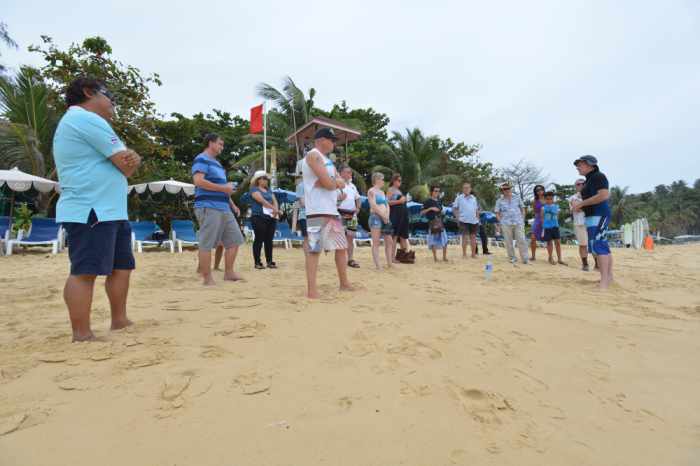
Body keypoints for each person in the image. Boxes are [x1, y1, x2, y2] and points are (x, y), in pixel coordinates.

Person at [54, 77, 141, 342]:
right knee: (85, 271)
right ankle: (81, 333)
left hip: (108, 208)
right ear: (89, 92)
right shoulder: (86, 118)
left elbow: (126, 162)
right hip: (91, 208)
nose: (112, 102)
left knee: (121, 266)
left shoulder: (79, 121)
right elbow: (126, 164)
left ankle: (119, 319)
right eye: (109, 95)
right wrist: (132, 159)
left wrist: (131, 159)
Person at [302, 128, 353, 299]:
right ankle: (311, 290)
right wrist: (334, 183)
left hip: (331, 210)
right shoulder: (313, 155)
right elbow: (329, 183)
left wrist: (334, 184)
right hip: (317, 210)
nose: (333, 143)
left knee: (341, 247)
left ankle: (344, 283)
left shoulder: (327, 160)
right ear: (321, 140)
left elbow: (337, 184)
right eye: (331, 140)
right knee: (314, 250)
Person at [192, 133, 245, 286]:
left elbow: (224, 189)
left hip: (224, 207)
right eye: (220, 144)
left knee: (235, 240)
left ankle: (229, 273)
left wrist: (232, 204)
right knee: (206, 243)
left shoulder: (218, 164)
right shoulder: (201, 159)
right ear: (210, 143)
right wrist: (224, 187)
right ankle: (207, 278)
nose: (222, 147)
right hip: (208, 206)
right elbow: (198, 181)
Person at [572, 155, 613, 289]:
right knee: (601, 246)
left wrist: (582, 203)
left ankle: (604, 282)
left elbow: (604, 195)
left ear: (590, 165)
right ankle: (608, 278)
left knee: (599, 247)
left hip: (599, 215)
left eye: (580, 164)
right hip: (592, 216)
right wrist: (580, 206)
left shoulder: (598, 176)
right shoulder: (589, 180)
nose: (578, 167)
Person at [249, 170, 280, 269]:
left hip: (270, 217)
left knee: (269, 240)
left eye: (267, 179)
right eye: (265, 178)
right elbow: (261, 200)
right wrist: (274, 209)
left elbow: (275, 200)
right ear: (258, 180)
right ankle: (257, 262)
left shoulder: (269, 190)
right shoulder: (254, 189)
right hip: (258, 216)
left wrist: (275, 210)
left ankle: (269, 261)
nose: (267, 180)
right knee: (259, 239)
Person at [494, 182, 529, 264]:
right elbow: (497, 212)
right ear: (501, 191)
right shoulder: (499, 201)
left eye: (508, 188)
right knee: (508, 241)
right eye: (504, 189)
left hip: (518, 222)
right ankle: (512, 257)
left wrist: (522, 219)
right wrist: (500, 221)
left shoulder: (517, 197)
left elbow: (522, 208)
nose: (506, 190)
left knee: (521, 240)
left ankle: (525, 258)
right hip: (506, 223)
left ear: (510, 189)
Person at [367, 172, 395, 269]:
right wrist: (383, 215)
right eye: (382, 179)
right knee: (376, 242)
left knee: (389, 241)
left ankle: (389, 263)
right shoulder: (371, 191)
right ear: (377, 180)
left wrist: (387, 215)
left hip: (385, 218)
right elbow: (373, 205)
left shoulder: (382, 192)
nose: (384, 181)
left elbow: (387, 205)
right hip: (376, 217)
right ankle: (378, 265)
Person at [337, 165, 361, 268]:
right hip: (340, 212)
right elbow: (332, 200)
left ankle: (350, 259)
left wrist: (358, 208)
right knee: (341, 237)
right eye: (348, 172)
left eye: (350, 172)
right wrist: (339, 200)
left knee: (350, 237)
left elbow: (358, 198)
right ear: (341, 173)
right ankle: (341, 259)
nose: (350, 174)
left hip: (351, 213)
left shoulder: (352, 186)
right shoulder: (336, 185)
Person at [388, 173, 414, 263]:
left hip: (403, 215)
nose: (400, 182)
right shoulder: (390, 190)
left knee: (403, 236)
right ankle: (392, 258)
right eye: (399, 180)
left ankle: (404, 256)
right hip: (395, 215)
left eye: (401, 180)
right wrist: (399, 201)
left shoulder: (399, 191)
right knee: (395, 236)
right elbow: (387, 202)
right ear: (394, 181)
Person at [421, 185, 448, 262]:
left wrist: (442, 212)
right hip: (432, 222)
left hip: (440, 222)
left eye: (438, 191)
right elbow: (422, 212)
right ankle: (435, 258)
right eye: (435, 191)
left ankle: (444, 257)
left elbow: (441, 210)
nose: (437, 193)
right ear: (431, 192)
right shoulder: (427, 201)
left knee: (445, 240)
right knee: (433, 241)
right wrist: (430, 208)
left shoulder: (439, 201)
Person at [453, 182, 480, 258]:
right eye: (465, 188)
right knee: (464, 237)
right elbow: (455, 209)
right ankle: (464, 254)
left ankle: (473, 254)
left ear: (470, 189)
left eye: (468, 188)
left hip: (474, 221)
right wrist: (457, 218)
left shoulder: (474, 198)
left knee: (473, 238)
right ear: (462, 189)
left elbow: (476, 209)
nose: (466, 189)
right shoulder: (459, 198)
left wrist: (478, 218)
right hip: (463, 220)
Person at [568, 178, 590, 271]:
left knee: (594, 244)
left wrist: (582, 206)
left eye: (583, 183)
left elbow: (579, 207)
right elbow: (576, 208)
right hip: (579, 224)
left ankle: (597, 264)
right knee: (583, 244)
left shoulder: (591, 195)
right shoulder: (573, 197)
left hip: (591, 222)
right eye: (578, 184)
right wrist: (588, 206)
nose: (581, 185)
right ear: (575, 186)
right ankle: (585, 264)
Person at [542, 191, 566, 265]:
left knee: (558, 242)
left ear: (553, 199)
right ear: (545, 199)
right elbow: (542, 218)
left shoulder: (557, 207)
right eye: (547, 199)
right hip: (547, 227)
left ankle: (559, 259)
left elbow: (557, 216)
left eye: (551, 199)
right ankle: (550, 257)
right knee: (549, 243)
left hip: (555, 226)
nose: (549, 200)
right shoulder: (543, 208)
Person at [530, 184, 545, 261]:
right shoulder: (534, 201)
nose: (539, 191)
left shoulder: (547, 199)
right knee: (533, 238)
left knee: (549, 239)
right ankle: (533, 256)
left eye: (540, 189)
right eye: (537, 190)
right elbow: (535, 212)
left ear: (543, 190)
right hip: (537, 219)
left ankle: (550, 256)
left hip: (547, 220)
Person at [295, 174, 308, 253]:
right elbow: (302, 203)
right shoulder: (301, 186)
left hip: (315, 215)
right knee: (307, 237)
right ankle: (308, 259)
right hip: (305, 215)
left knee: (315, 238)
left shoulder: (316, 185)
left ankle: (312, 259)